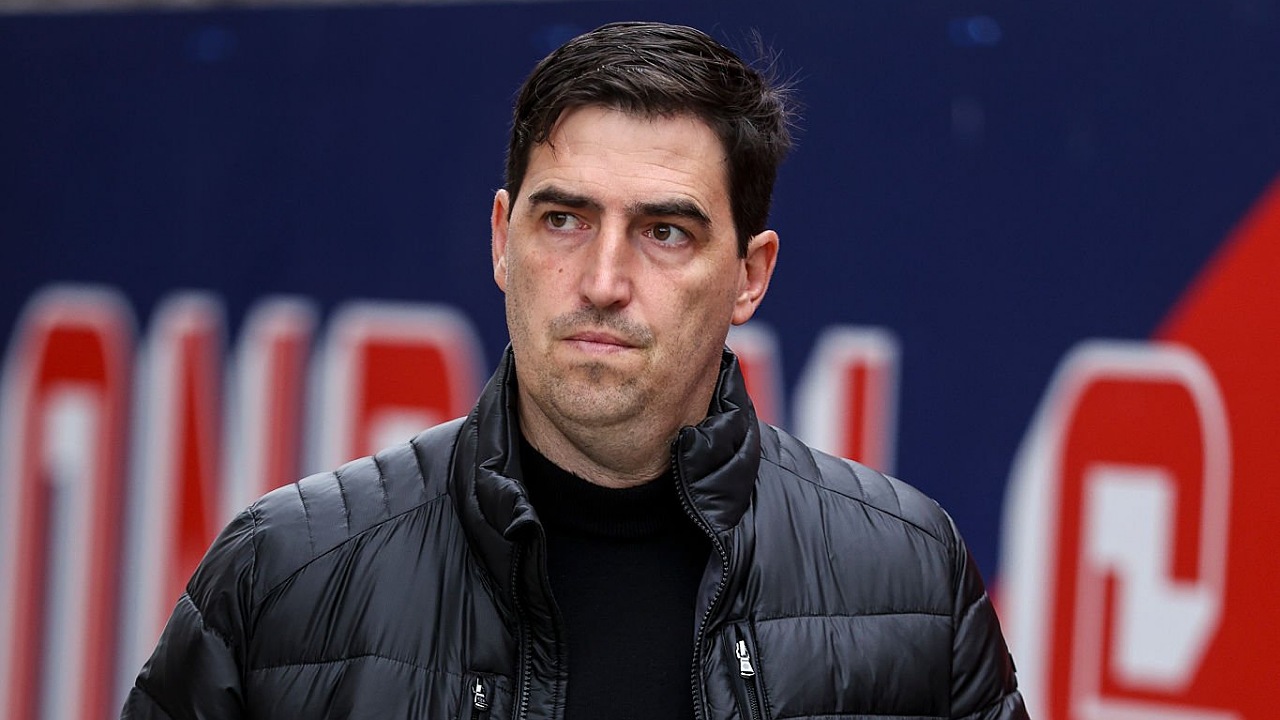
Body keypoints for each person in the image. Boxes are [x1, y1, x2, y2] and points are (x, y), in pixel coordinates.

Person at [122, 21, 1028, 720]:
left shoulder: (911, 584)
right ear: (500, 241)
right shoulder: (283, 575)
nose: (602, 282)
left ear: (750, 277)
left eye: (664, 232)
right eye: (563, 220)